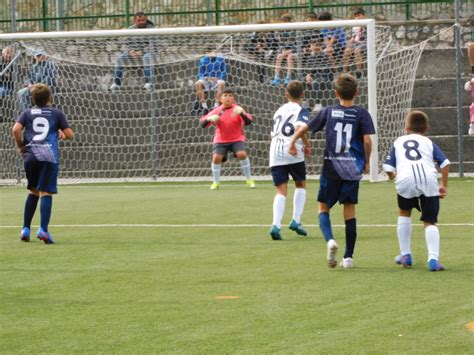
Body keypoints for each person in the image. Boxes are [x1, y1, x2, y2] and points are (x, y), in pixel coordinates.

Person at [289, 73, 375, 268]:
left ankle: (330, 240)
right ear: (357, 92)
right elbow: (368, 140)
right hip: (352, 168)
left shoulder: (328, 111)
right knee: (350, 211)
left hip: (331, 167)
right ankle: (348, 258)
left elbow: (305, 127)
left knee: (323, 207)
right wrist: (367, 162)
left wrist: (293, 142)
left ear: (336, 93)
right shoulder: (361, 113)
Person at [383, 110, 449, 272]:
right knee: (430, 221)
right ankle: (433, 259)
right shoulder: (428, 142)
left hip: (405, 179)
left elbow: (388, 167)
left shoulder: (399, 141)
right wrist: (444, 185)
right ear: (426, 128)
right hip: (428, 179)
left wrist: (393, 176)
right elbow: (445, 164)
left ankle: (406, 255)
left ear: (406, 128)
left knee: (404, 213)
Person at [12, 83, 74, 244]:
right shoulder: (56, 113)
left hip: (30, 156)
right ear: (49, 98)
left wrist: (20, 146)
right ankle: (43, 230)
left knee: (33, 191)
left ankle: (25, 229)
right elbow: (70, 134)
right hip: (48, 156)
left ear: (32, 99)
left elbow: (15, 130)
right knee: (46, 193)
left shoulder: (27, 113)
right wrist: (61, 134)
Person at [269, 81, 311, 240]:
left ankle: (276, 225)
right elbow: (301, 128)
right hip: (292, 151)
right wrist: (301, 144)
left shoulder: (279, 110)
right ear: (303, 95)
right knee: (300, 184)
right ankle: (296, 220)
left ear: (286, 95)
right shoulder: (302, 110)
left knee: (281, 189)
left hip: (275, 151)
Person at [199, 88, 255, 190]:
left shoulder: (238, 109)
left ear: (233, 98)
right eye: (225, 95)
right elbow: (202, 124)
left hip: (237, 138)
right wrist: (208, 119)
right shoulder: (217, 110)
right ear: (221, 99)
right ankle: (216, 182)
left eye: (230, 95)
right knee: (216, 158)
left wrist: (242, 113)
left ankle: (249, 179)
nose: (228, 97)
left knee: (242, 154)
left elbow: (248, 122)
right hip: (221, 140)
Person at [110, 11, 155, 91]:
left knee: (147, 57)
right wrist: (130, 51)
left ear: (146, 19)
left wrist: (142, 52)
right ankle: (117, 84)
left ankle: (148, 83)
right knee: (120, 58)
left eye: (143, 20)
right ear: (134, 21)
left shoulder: (151, 29)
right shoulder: (130, 29)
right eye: (139, 21)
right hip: (132, 54)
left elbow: (153, 45)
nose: (141, 22)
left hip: (146, 53)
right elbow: (125, 44)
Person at [194, 47, 227, 115]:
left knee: (222, 83)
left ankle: (216, 106)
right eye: (210, 52)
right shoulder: (203, 60)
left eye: (214, 51)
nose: (212, 53)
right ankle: (204, 106)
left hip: (217, 79)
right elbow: (201, 73)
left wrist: (219, 78)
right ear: (207, 53)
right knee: (197, 84)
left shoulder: (220, 59)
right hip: (206, 80)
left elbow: (224, 71)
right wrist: (204, 78)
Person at [303, 38, 333, 113]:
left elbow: (324, 70)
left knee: (316, 83)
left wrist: (311, 75)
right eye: (313, 45)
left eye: (317, 45)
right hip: (314, 76)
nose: (315, 47)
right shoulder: (310, 56)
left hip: (324, 76)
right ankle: (305, 103)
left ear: (320, 46)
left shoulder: (323, 55)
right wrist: (307, 76)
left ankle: (318, 104)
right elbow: (307, 69)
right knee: (301, 81)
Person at [271, 13, 297, 86]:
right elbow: (280, 43)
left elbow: (296, 44)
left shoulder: (294, 30)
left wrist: (288, 51)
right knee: (279, 56)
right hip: (284, 51)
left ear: (289, 21)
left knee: (289, 57)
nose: (283, 23)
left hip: (293, 51)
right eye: (282, 21)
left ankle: (288, 78)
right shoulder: (280, 31)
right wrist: (283, 51)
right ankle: (276, 78)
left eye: (285, 21)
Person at [342, 8, 367, 76]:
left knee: (357, 51)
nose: (357, 17)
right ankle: (345, 71)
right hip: (356, 43)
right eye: (356, 16)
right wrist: (349, 42)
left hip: (364, 43)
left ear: (364, 16)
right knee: (347, 50)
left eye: (359, 15)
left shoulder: (367, 24)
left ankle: (359, 70)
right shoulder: (354, 26)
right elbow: (353, 37)